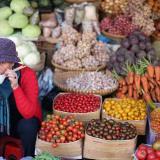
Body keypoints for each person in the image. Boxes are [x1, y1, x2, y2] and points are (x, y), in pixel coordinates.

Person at [0, 38, 42, 157]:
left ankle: (28, 157)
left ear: (12, 62)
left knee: (28, 125)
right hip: (1, 121)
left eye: (2, 63)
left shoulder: (27, 74)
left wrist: (15, 86)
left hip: (20, 122)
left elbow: (28, 113)